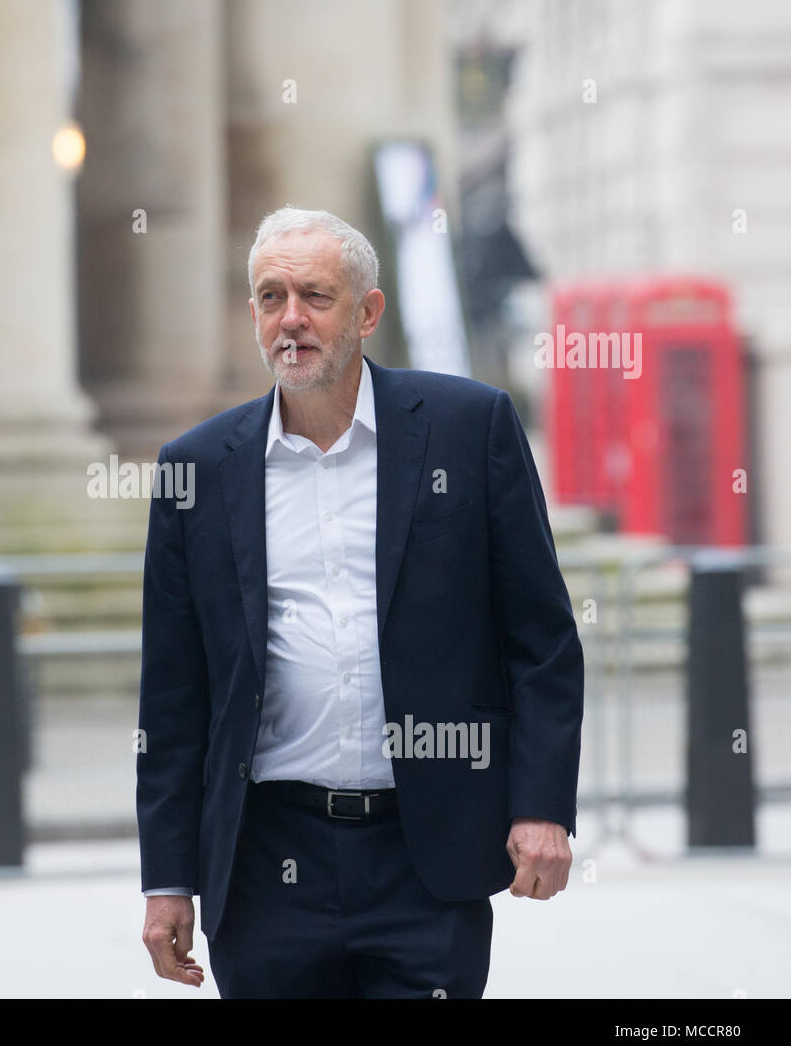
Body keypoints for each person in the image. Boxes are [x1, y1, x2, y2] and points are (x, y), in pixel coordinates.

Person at [136, 206, 583, 998]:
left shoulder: (467, 429)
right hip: (266, 861)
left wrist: (541, 807)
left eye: (316, 294)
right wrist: (167, 877)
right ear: (253, 316)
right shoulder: (197, 469)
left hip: (427, 856)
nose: (291, 319)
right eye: (271, 297)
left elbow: (541, 640)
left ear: (369, 311)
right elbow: (173, 696)